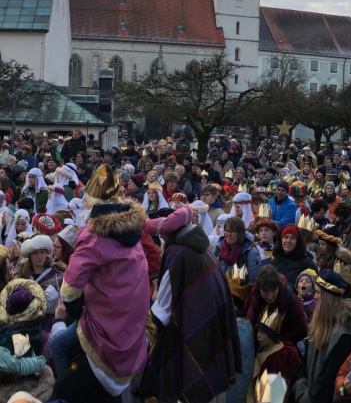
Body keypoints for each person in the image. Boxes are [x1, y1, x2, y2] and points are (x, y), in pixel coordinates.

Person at [54, 164, 151, 402]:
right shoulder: (132, 232)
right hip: (131, 324)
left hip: (105, 326)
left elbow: (69, 288)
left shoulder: (93, 236)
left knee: (57, 347)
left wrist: (77, 313)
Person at [145, 206, 241, 402]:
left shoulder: (176, 252)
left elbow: (162, 308)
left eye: (163, 236)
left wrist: (152, 321)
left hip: (191, 335)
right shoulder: (204, 249)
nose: (162, 241)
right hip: (212, 333)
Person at [293, 270, 351, 403]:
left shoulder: (344, 334)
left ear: (328, 298)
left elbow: (328, 380)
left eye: (318, 293)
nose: (315, 297)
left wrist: (306, 398)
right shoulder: (318, 324)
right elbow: (305, 365)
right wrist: (301, 387)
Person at [266, 224, 316, 288]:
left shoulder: (306, 263)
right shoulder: (274, 262)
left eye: (293, 238)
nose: (288, 241)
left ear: (297, 242)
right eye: (286, 237)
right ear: (281, 240)